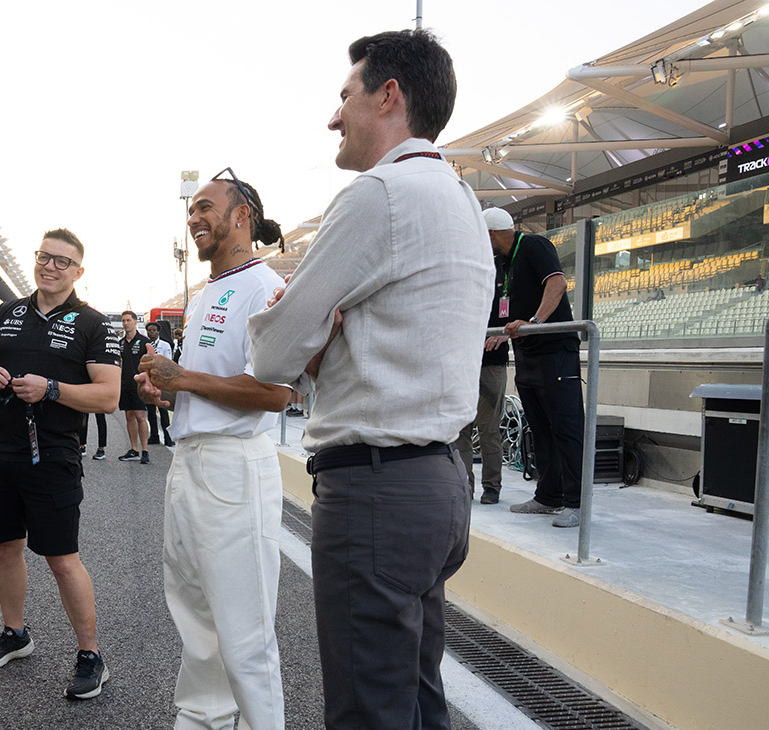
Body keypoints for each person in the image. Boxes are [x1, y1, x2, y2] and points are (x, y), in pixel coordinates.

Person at [248, 30, 492, 730]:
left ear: (388, 96)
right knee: (416, 698)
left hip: (377, 488)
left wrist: (311, 335)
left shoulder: (378, 194)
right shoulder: (462, 200)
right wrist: (325, 334)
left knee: (367, 712)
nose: (334, 117)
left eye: (345, 95)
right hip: (440, 481)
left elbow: (273, 354)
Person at [137, 171, 291, 730]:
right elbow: (201, 382)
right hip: (189, 461)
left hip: (233, 465)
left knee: (244, 631)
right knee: (196, 618)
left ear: (242, 215)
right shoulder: (206, 294)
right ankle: (203, 719)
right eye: (192, 210)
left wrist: (182, 379)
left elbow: (275, 393)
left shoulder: (265, 287)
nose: (194, 218)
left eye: (206, 207)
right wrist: (164, 388)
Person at [0, 228, 121, 700]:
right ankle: (15, 634)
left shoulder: (95, 324)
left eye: (62, 261)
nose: (50, 266)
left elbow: (109, 397)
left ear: (78, 271)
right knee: (3, 548)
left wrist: (51, 389)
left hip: (53, 455)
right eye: (44, 257)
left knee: (61, 558)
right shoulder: (7, 312)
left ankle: (91, 655)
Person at [484, 207, 585, 528]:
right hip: (527, 353)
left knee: (566, 427)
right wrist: (503, 333)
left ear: (492, 233)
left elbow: (557, 283)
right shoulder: (502, 262)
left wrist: (535, 322)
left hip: (555, 351)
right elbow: (506, 307)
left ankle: (576, 502)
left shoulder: (534, 245)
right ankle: (548, 496)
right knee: (540, 427)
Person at [458, 249, 509, 504]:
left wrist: (503, 333)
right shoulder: (461, 278)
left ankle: (492, 486)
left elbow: (511, 313)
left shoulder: (503, 275)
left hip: (491, 362)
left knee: (488, 429)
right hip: (462, 361)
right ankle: (464, 485)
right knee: (460, 428)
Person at [116, 310, 152, 463]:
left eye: (128, 320)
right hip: (125, 384)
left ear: (135, 322)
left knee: (140, 416)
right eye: (123, 321)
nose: (125, 323)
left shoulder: (144, 341)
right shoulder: (121, 343)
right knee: (129, 416)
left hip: (139, 385)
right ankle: (134, 449)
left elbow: (152, 362)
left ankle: (145, 451)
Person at [143, 321, 174, 447]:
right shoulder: (145, 345)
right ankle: (154, 436)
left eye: (154, 330)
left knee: (163, 410)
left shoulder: (165, 345)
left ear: (158, 332)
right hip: (149, 381)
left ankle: (168, 437)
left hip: (161, 381)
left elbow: (169, 362)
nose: (152, 332)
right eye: (149, 330)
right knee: (151, 411)